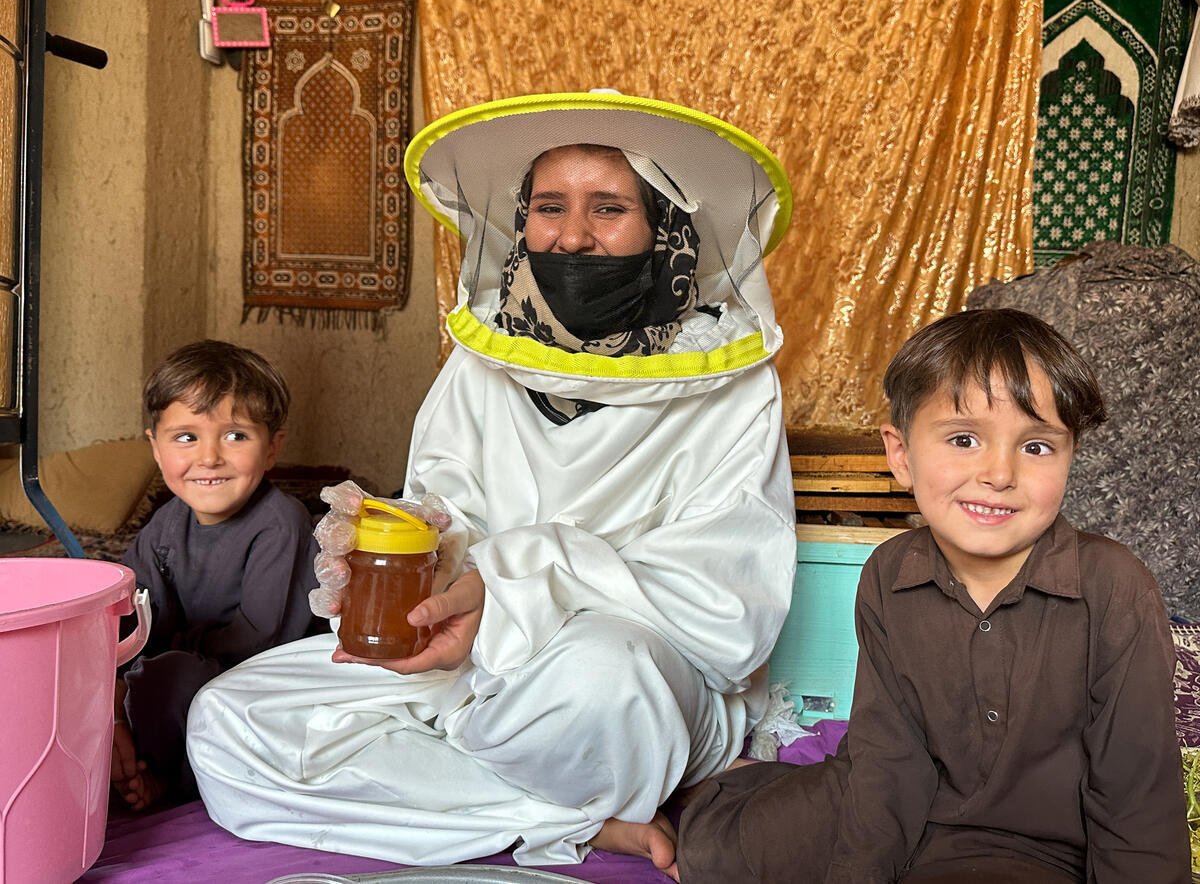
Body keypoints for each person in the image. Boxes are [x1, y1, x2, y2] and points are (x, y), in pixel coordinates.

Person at [186, 91, 798, 878]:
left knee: (604, 678)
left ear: (664, 229)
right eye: (549, 207)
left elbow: (723, 605)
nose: (571, 236)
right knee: (225, 722)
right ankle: (558, 811)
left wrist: (517, 584)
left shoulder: (732, 381)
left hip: (615, 678)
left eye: (608, 207)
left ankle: (472, 785)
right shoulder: (483, 361)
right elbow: (447, 512)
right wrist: (397, 540)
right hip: (462, 662)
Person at [676, 308, 1190, 883]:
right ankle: (704, 794)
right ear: (900, 455)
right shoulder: (888, 574)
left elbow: (1137, 792)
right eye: (964, 439)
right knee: (715, 853)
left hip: (1032, 849)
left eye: (1038, 447)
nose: (999, 473)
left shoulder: (1115, 587)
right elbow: (888, 757)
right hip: (887, 803)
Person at [112, 339, 323, 811]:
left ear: (273, 449)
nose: (209, 458)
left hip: (257, 683)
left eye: (235, 436)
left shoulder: (281, 521)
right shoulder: (166, 522)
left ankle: (177, 785)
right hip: (178, 677)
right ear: (155, 447)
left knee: (173, 678)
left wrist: (158, 661)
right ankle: (134, 768)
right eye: (186, 437)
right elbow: (131, 609)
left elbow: (257, 638)